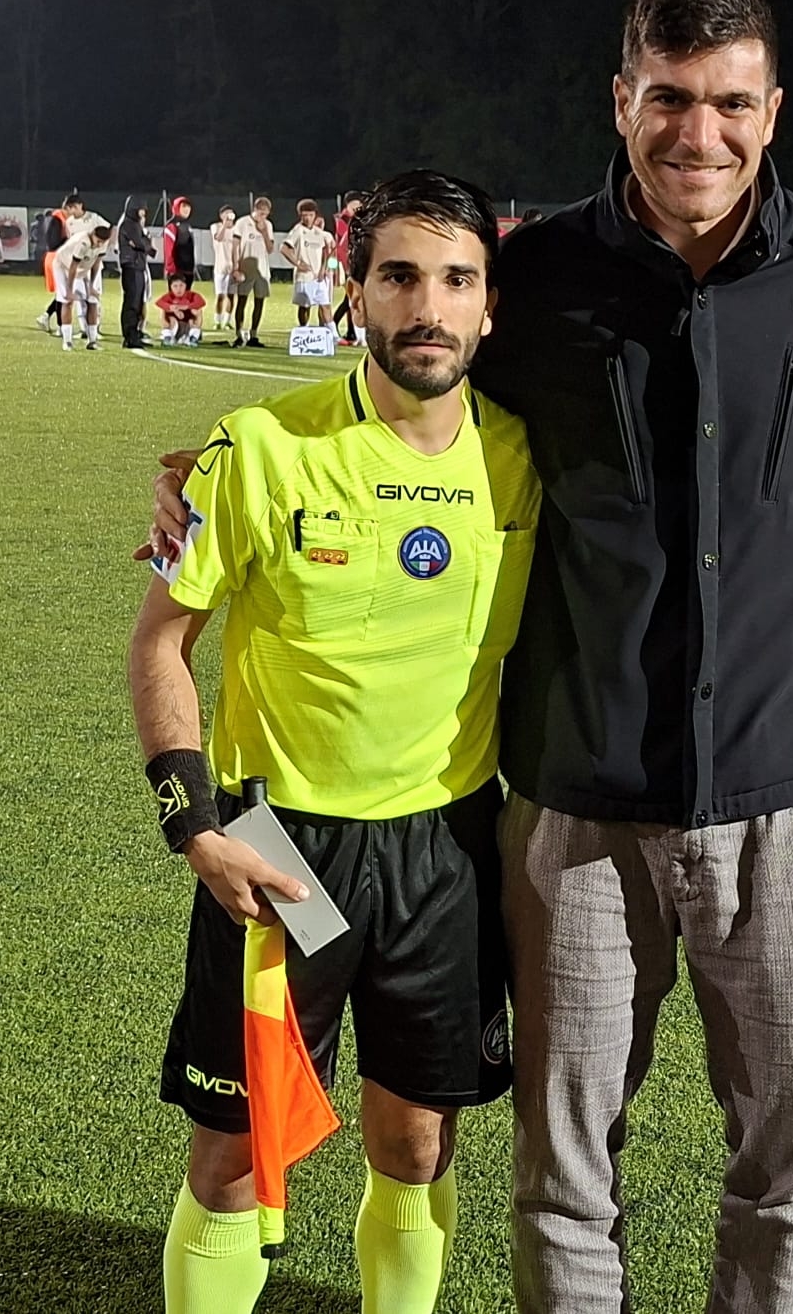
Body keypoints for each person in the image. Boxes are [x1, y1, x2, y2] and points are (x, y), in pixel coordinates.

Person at [144, 0, 793, 1314]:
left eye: (730, 102)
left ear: (773, 109)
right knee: (556, 1176)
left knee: (785, 1168)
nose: (699, 132)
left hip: (786, 797)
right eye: (668, 98)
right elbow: (410, 391)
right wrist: (204, 470)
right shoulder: (540, 271)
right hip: (571, 808)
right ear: (621, 101)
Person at [131, 171, 538, 1314]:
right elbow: (161, 643)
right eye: (399, 276)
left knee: (415, 1144)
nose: (427, 306)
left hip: (445, 852)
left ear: (490, 307)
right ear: (354, 293)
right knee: (235, 1150)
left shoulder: (527, 456)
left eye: (456, 280)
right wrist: (193, 827)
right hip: (282, 850)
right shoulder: (260, 448)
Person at [53, 221, 113, 351]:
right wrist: (69, 290)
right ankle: (67, 341)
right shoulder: (83, 243)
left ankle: (92, 341)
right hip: (63, 265)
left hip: (83, 267)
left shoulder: (103, 243)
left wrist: (91, 286)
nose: (100, 244)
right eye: (98, 241)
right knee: (67, 301)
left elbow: (96, 263)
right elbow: (73, 267)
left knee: (93, 300)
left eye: (103, 242)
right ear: (93, 235)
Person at [282, 198, 337, 328]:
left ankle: (331, 333)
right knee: (305, 306)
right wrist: (298, 263)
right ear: (300, 216)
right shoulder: (298, 230)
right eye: (304, 215)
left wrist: (326, 269)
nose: (307, 218)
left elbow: (329, 253)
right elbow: (284, 248)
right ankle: (303, 330)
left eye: (310, 215)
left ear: (316, 215)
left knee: (325, 304)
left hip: (320, 276)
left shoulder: (322, 234)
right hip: (305, 276)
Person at [234, 197, 275, 347]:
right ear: (255, 210)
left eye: (265, 214)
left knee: (259, 301)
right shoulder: (242, 223)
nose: (262, 217)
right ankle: (239, 333)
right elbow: (235, 246)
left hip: (262, 269)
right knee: (242, 300)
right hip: (246, 267)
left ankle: (254, 334)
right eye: (260, 213)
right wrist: (235, 267)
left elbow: (270, 249)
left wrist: (264, 232)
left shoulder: (268, 225)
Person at [40, 193, 84, 331]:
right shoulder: (57, 219)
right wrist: (70, 242)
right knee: (63, 293)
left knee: (63, 292)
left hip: (56, 257)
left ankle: (46, 316)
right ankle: (60, 326)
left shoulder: (58, 218)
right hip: (56, 258)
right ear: (68, 208)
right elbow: (53, 243)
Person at [119, 201, 155, 350]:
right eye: (141, 210)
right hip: (132, 266)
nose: (143, 213)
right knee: (132, 302)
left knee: (138, 302)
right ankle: (130, 336)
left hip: (137, 265)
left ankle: (135, 334)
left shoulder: (135, 225)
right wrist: (145, 244)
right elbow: (142, 243)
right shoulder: (129, 225)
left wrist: (145, 244)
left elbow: (144, 244)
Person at [332, 192, 364, 344]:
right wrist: (344, 266)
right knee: (350, 298)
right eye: (354, 206)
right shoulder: (344, 220)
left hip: (353, 262)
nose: (357, 208)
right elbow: (341, 245)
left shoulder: (355, 219)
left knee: (350, 298)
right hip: (347, 264)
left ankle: (350, 331)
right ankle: (333, 323)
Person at [163, 196, 198, 303]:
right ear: (176, 208)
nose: (187, 209)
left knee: (186, 301)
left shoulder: (187, 226)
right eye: (183, 206)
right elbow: (168, 249)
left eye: (188, 207)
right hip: (177, 270)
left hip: (188, 270)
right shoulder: (171, 226)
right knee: (175, 302)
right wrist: (171, 268)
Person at [209, 206, 239, 329]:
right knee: (220, 295)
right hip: (220, 267)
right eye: (226, 214)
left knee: (231, 295)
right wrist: (225, 225)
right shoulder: (216, 227)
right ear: (221, 216)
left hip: (233, 267)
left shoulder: (237, 230)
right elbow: (218, 238)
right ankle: (217, 320)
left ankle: (227, 321)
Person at [155, 274, 206, 346]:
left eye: (181, 285)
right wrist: (172, 308)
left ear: (185, 286)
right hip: (174, 325)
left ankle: (193, 337)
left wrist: (185, 307)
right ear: (171, 287)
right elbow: (159, 302)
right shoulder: (169, 296)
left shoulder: (191, 295)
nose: (178, 289)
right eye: (175, 286)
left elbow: (201, 302)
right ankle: (168, 336)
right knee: (164, 310)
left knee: (197, 310)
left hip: (189, 325)